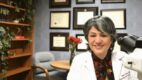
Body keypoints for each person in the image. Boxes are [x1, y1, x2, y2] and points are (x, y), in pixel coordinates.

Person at [67, 16, 138, 80]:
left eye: (103, 35)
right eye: (93, 35)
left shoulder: (125, 58)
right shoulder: (79, 61)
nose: (98, 41)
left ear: (111, 38)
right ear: (87, 38)